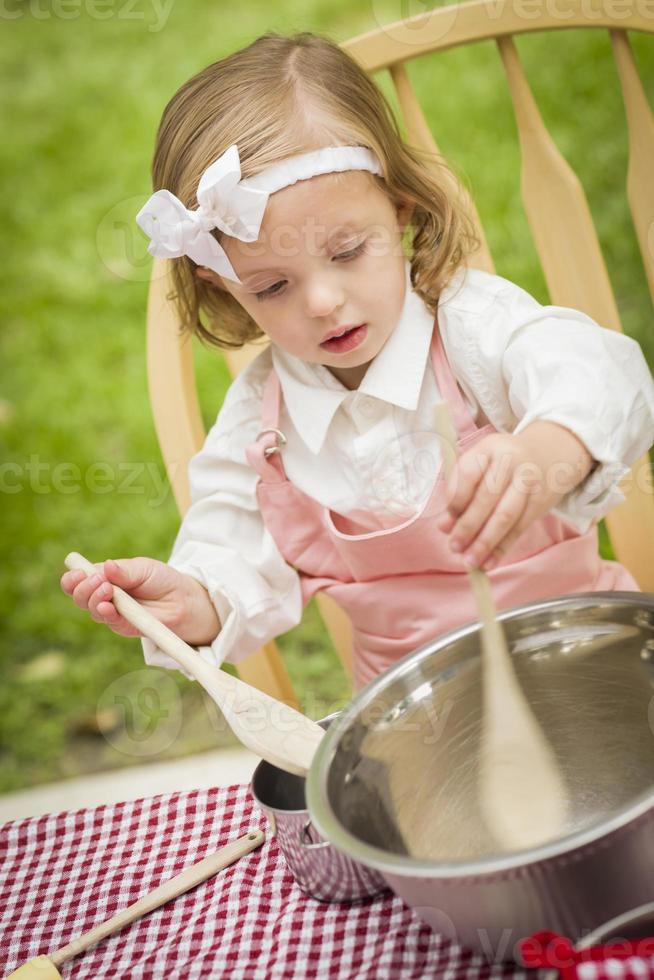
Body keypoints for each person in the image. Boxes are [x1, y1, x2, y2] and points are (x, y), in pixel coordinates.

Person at [61, 31, 654, 691]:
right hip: (415, 714)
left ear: (400, 211)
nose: (322, 300)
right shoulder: (262, 431)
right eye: (272, 286)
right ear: (222, 284)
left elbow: (603, 374)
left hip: (588, 659)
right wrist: (194, 603)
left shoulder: (472, 331)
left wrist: (549, 449)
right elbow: (232, 559)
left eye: (347, 252)